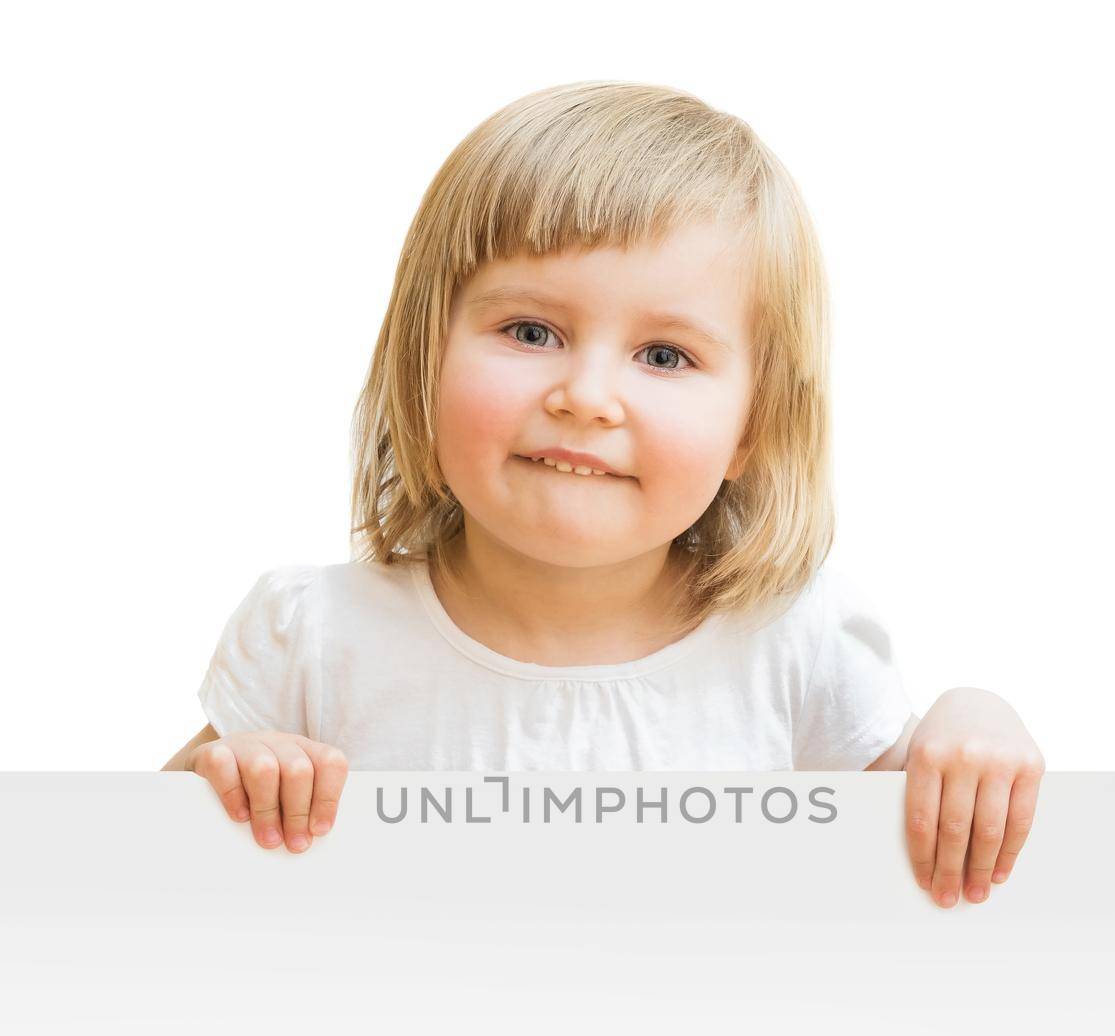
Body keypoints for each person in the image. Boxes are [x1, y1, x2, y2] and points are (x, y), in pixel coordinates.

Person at [163, 81, 1043, 908]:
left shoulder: (797, 646)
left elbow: (928, 864)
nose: (585, 395)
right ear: (421, 358)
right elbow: (134, 878)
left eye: (664, 356)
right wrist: (230, 786)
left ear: (752, 429)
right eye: (531, 330)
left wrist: (974, 721)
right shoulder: (312, 641)